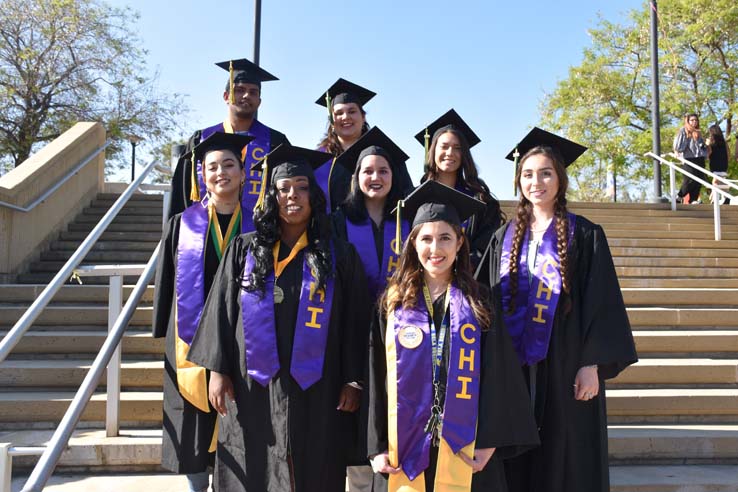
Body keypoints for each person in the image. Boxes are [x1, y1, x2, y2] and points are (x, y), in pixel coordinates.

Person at [187, 144, 371, 492]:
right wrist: (217, 369)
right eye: (283, 188)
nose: (293, 196)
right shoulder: (245, 249)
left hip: (320, 385)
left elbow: (355, 321)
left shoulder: (338, 254)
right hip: (251, 383)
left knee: (314, 462)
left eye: (302, 187)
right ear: (271, 196)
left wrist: (353, 379)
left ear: (314, 196)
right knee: (252, 461)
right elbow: (222, 311)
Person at [479, 128, 638, 492]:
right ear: (519, 180)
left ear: (560, 179)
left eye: (546, 173)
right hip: (513, 368)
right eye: (528, 174)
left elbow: (603, 302)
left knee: (565, 459)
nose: (537, 182)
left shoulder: (584, 235)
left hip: (564, 365)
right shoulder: (502, 238)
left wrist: (591, 363)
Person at [367, 180, 540, 492]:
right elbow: (376, 375)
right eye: (427, 239)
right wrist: (376, 444)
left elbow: (498, 375)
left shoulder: (480, 302)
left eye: (445, 238)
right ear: (414, 244)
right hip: (403, 443)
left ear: (460, 243)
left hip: (465, 443)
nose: (436, 249)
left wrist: (490, 441)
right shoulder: (391, 303)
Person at [153, 132, 254, 492]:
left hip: (244, 338)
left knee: (240, 425)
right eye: (212, 166)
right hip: (190, 339)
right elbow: (167, 281)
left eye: (229, 165)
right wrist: (161, 329)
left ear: (244, 174)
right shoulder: (182, 225)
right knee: (194, 428)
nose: (221, 172)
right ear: (202, 175)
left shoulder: (260, 225)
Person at [331, 127, 414, 492]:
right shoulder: (337, 221)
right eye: (368, 171)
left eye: (383, 170)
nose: (375, 177)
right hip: (351, 333)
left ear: (394, 176)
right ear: (356, 176)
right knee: (352, 430)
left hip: (402, 336)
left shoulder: (411, 223)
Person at [168, 58, 290, 220]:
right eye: (239, 90)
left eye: (253, 92)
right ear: (226, 96)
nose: (246, 95)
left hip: (257, 233)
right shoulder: (201, 139)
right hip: (205, 232)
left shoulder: (275, 141)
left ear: (259, 101)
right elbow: (181, 193)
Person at [415, 109, 503, 268]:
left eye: (457, 148)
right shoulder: (416, 197)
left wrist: (455, 268)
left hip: (466, 281)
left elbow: (485, 248)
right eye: (444, 146)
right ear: (432, 150)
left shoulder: (481, 201)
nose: (450, 153)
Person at [316, 78, 413, 211]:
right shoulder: (320, 159)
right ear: (332, 121)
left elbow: (405, 195)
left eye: (352, 111)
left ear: (363, 117)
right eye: (339, 113)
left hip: (381, 229)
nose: (345, 117)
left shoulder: (384, 153)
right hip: (331, 230)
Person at [673, 113, 708, 204]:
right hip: (689, 158)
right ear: (688, 121)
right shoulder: (684, 130)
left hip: (699, 158)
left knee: (698, 179)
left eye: (696, 120)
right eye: (692, 120)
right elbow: (678, 145)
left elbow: (701, 146)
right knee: (689, 179)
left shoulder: (698, 132)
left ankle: (693, 199)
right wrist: (677, 152)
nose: (694, 122)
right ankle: (680, 196)